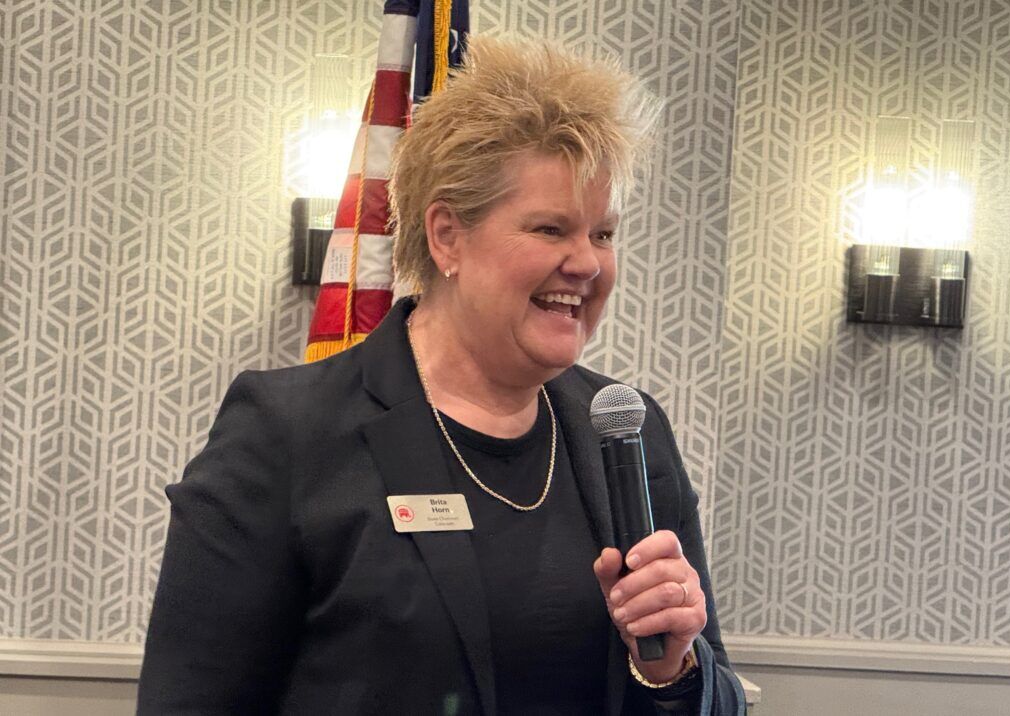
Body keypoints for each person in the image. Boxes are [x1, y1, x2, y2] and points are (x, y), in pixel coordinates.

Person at [138, 36, 745, 715]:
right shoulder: (287, 432)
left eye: (603, 234)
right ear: (447, 236)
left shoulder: (629, 432)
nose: (587, 263)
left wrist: (670, 672)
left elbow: (716, 698)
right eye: (550, 229)